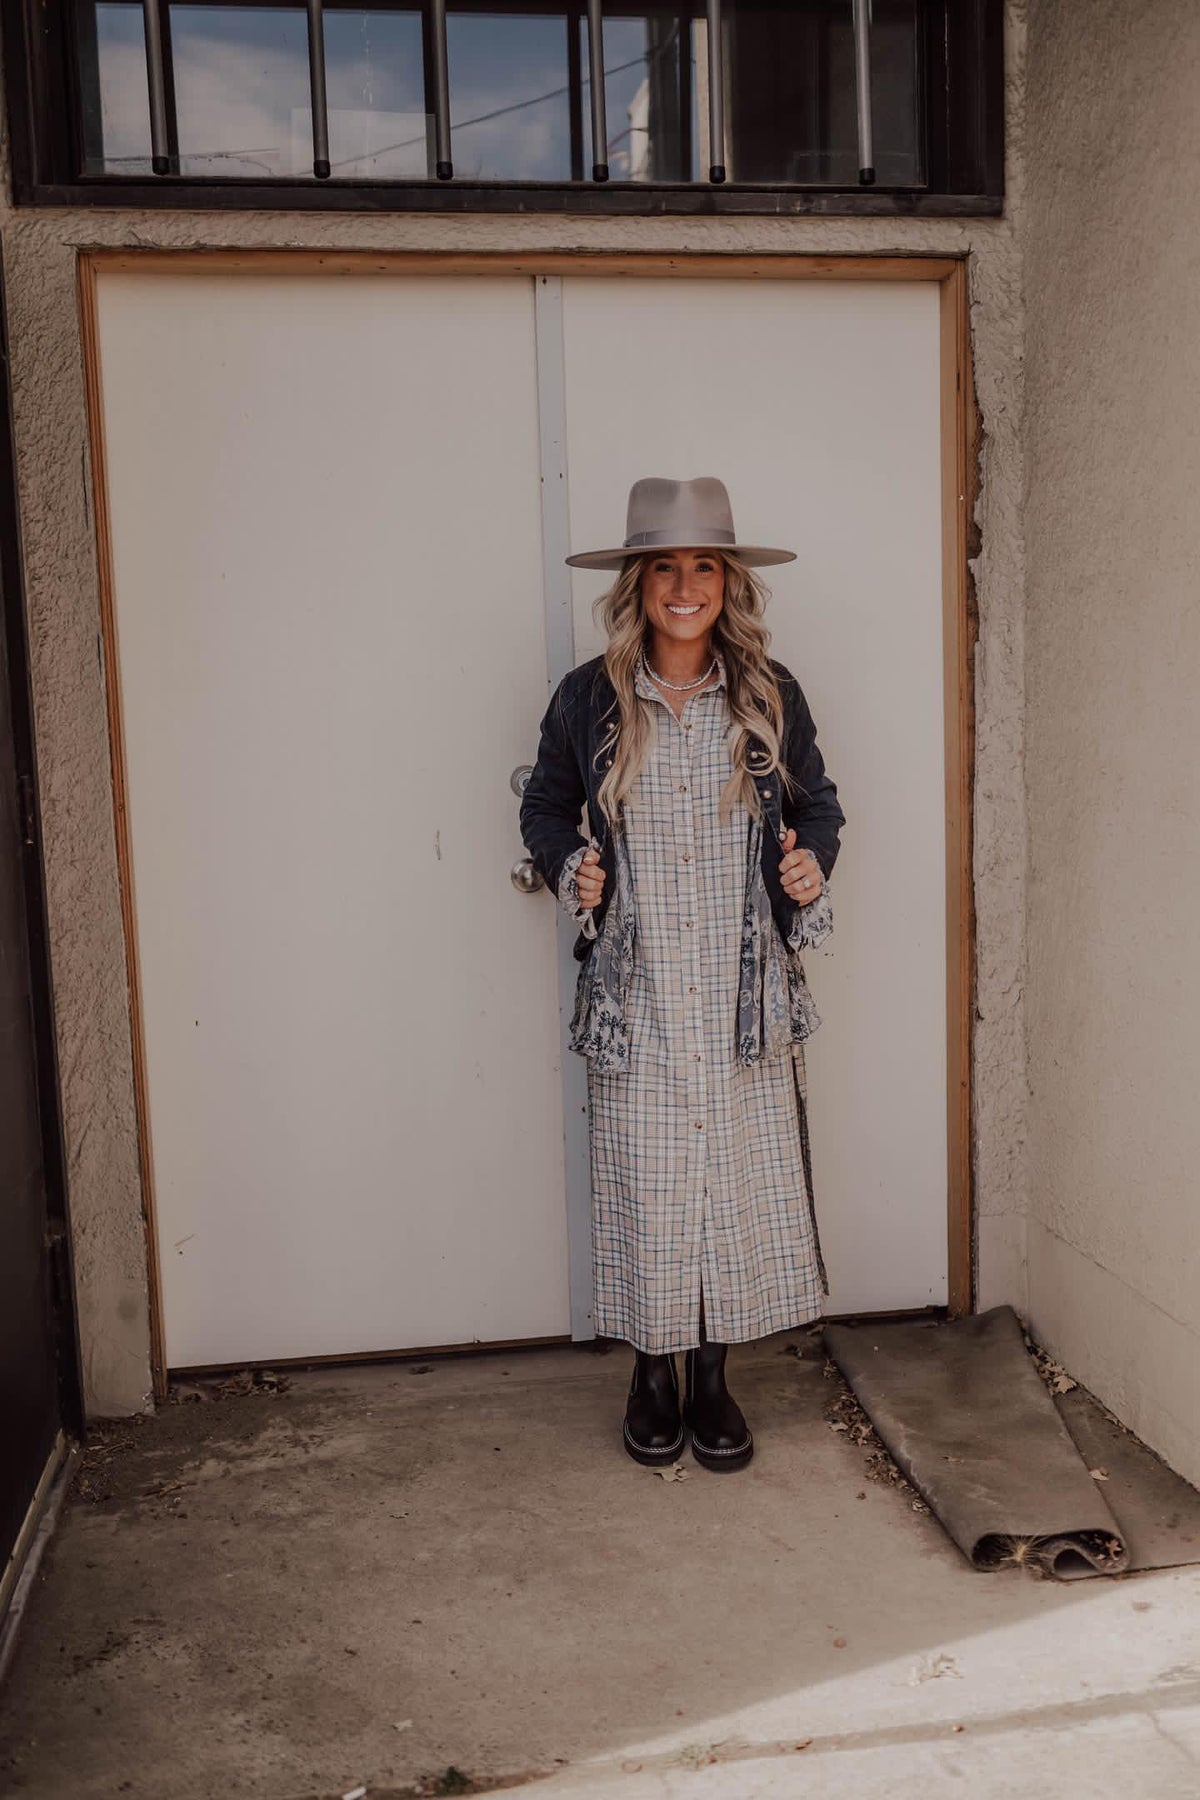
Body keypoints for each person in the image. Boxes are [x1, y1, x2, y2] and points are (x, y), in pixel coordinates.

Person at [520, 477, 845, 1472]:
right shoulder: (590, 697)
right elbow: (544, 807)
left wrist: (809, 863)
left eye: (704, 565)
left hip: (738, 987)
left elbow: (818, 806)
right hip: (642, 985)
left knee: (729, 1183)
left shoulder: (769, 694)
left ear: (729, 582)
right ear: (637, 584)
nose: (685, 585)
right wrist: (572, 865)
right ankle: (650, 1376)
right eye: (664, 567)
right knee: (651, 1185)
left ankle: (711, 1377)